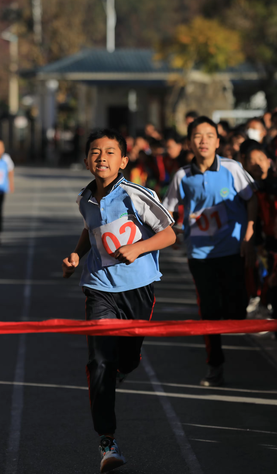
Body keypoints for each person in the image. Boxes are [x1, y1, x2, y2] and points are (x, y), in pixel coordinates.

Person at [61, 128, 175, 473]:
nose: (102, 158)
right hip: (98, 288)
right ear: (86, 161)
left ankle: (124, 365)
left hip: (138, 289)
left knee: (127, 360)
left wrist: (137, 248)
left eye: (110, 152)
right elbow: (89, 229)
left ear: (123, 160)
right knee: (100, 363)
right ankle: (107, 441)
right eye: (95, 152)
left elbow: (169, 232)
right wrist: (77, 256)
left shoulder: (136, 195)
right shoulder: (85, 199)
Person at [163, 116, 257, 387]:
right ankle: (215, 365)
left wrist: (248, 236)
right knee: (209, 312)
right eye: (197, 136)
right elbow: (167, 209)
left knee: (236, 309)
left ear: (218, 141)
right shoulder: (183, 175)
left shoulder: (232, 169)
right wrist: (174, 231)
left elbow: (253, 199)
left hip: (232, 249)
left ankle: (237, 310)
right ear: (189, 143)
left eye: (209, 135)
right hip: (200, 254)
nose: (203, 140)